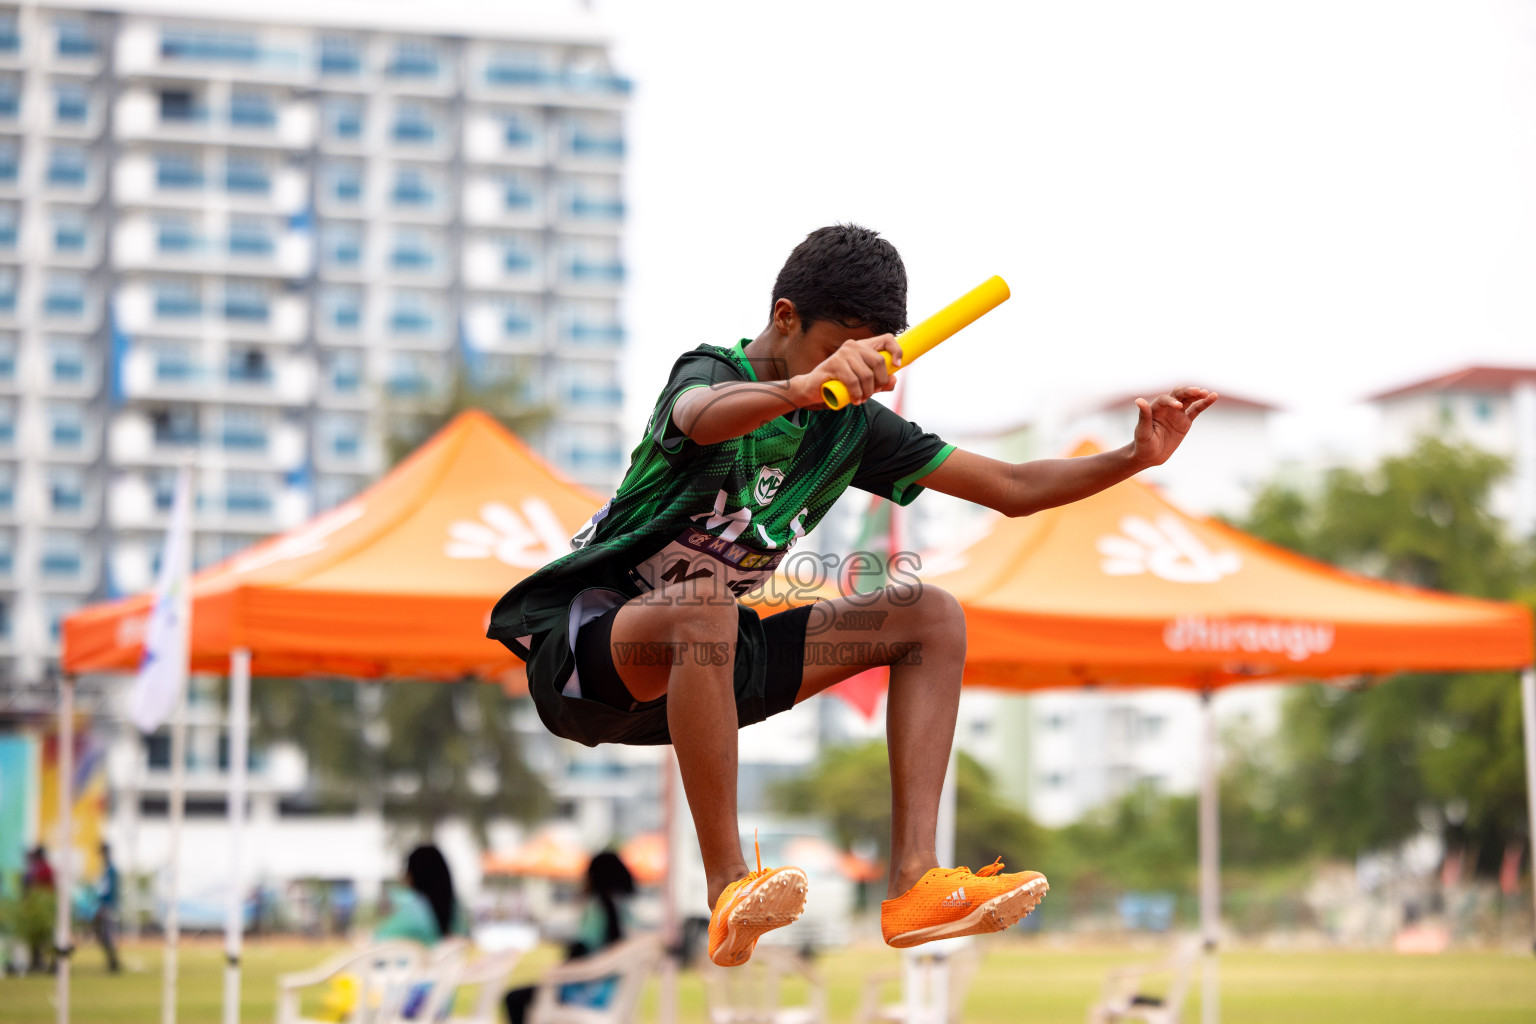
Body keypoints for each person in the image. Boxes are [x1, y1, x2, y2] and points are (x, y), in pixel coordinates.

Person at [488, 224, 1217, 967]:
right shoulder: (711, 372)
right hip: (589, 654)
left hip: (704, 670)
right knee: (704, 601)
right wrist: (795, 389)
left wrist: (1134, 458)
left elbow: (1011, 487)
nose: (854, 380)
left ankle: (913, 885)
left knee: (930, 617)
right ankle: (728, 887)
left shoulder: (852, 427)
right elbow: (697, 417)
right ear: (786, 318)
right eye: (837, 354)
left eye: (872, 360)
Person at [502, 851, 635, 1024]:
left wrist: (559, 971)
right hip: (612, 993)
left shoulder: (595, 908)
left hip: (585, 992)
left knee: (515, 998)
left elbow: (579, 949)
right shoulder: (627, 911)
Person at [374, 845, 469, 945]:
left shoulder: (411, 906)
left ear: (413, 874)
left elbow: (379, 940)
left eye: (407, 871)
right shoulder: (456, 910)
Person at [21, 845, 57, 973]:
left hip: (43, 909)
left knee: (45, 939)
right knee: (37, 939)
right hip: (37, 908)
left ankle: (51, 964)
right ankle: (37, 962)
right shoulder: (38, 868)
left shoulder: (44, 869)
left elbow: (37, 887)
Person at [93, 841, 121, 973]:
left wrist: (103, 905)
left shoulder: (110, 870)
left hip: (107, 906)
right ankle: (112, 963)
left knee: (107, 935)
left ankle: (114, 964)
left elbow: (107, 891)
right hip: (106, 905)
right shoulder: (107, 869)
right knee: (104, 935)